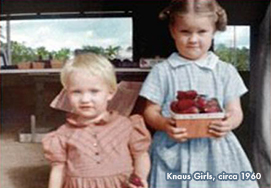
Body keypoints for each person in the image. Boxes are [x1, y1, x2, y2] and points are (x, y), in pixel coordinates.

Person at [139, 0, 259, 187]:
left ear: (213, 32)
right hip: (173, 149)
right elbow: (150, 112)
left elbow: (235, 110)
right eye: (185, 32)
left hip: (216, 151)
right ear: (173, 31)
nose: (193, 39)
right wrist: (164, 124)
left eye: (202, 32)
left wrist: (229, 123)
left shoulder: (225, 71)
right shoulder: (162, 71)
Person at [42, 53, 151, 188]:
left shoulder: (127, 126)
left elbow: (140, 154)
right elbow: (58, 169)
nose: (85, 99)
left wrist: (140, 179)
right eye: (77, 92)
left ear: (110, 93)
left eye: (94, 91)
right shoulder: (63, 134)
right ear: (67, 94)